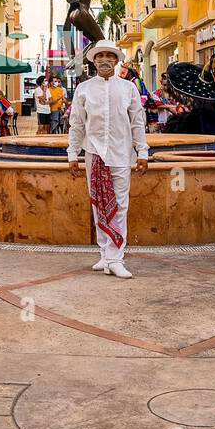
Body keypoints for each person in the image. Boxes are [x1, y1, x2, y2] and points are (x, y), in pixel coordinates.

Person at [67, 40, 149, 279]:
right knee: (98, 203)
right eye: (100, 55)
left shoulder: (128, 88)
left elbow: (137, 122)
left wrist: (142, 152)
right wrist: (73, 154)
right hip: (94, 154)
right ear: (94, 61)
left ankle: (116, 258)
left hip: (121, 153)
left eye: (109, 56)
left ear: (116, 60)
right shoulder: (84, 89)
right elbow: (77, 124)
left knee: (120, 205)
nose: (104, 59)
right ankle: (105, 254)